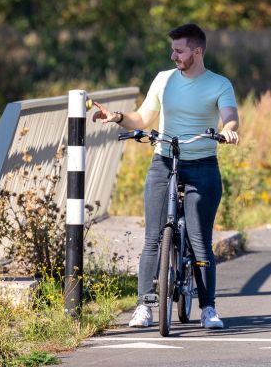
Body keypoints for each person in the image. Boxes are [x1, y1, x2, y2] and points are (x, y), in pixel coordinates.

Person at [92, 23, 239, 329]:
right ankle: (145, 306)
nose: (173, 55)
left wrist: (229, 131)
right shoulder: (163, 80)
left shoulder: (219, 84)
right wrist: (117, 117)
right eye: (172, 49)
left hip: (202, 166)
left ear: (196, 52)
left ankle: (208, 308)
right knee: (153, 239)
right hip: (164, 161)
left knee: (200, 241)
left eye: (179, 50)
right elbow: (143, 117)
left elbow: (230, 116)